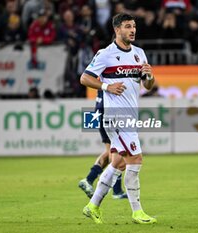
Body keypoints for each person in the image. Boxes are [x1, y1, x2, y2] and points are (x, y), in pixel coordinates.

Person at [80, 13, 157, 224]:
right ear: (117, 30)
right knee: (136, 159)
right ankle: (137, 211)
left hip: (130, 115)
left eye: (134, 26)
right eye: (127, 26)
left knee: (118, 163)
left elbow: (147, 85)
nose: (132, 30)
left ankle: (92, 206)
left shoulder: (139, 53)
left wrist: (149, 76)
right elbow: (84, 77)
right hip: (116, 116)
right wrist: (107, 86)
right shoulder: (106, 54)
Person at [78, 89, 128, 200]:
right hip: (105, 116)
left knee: (109, 151)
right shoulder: (109, 84)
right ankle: (116, 190)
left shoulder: (104, 83)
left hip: (99, 115)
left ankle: (88, 180)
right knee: (114, 152)